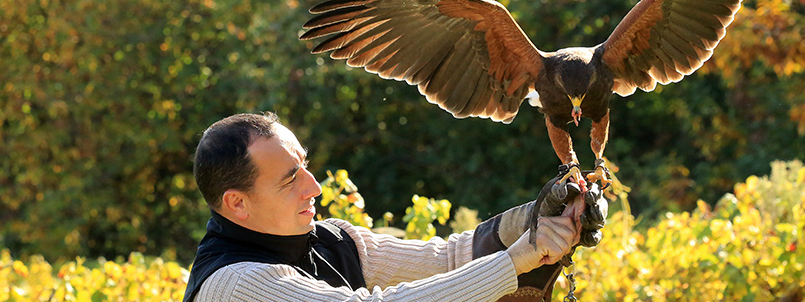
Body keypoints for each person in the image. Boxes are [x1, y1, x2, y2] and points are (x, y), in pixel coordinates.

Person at [184, 112, 607, 302]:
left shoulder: (335, 239)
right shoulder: (233, 286)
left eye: (305, 167)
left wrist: (537, 221)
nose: (313, 186)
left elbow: (449, 260)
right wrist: (515, 261)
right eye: (290, 179)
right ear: (236, 203)